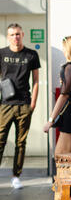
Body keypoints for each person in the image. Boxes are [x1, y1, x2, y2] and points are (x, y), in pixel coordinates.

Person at [0, 23, 40, 189]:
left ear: (22, 34)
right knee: (0, 139)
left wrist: (33, 103)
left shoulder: (31, 55)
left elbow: (36, 80)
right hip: (5, 105)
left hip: (24, 104)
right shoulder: (2, 54)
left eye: (17, 34)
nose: (15, 37)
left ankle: (16, 176)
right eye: (12, 34)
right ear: (7, 36)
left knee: (20, 143)